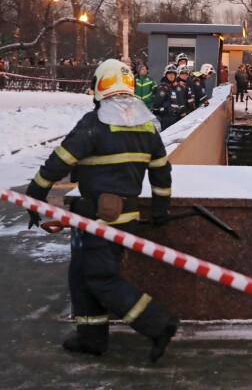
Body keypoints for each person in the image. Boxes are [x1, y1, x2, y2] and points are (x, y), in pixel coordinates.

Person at [24, 59, 179, 361]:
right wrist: (161, 209)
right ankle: (91, 338)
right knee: (81, 276)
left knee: (99, 277)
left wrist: (35, 193)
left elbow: (60, 161)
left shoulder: (94, 124)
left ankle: (159, 324)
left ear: (100, 86)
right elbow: (162, 172)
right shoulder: (147, 126)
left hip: (99, 219)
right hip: (122, 218)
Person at [152, 64, 186, 130]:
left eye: (173, 74)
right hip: (166, 118)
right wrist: (165, 109)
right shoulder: (162, 88)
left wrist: (182, 111)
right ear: (165, 74)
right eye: (169, 74)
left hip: (176, 117)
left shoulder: (174, 87)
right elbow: (156, 106)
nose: (171, 76)